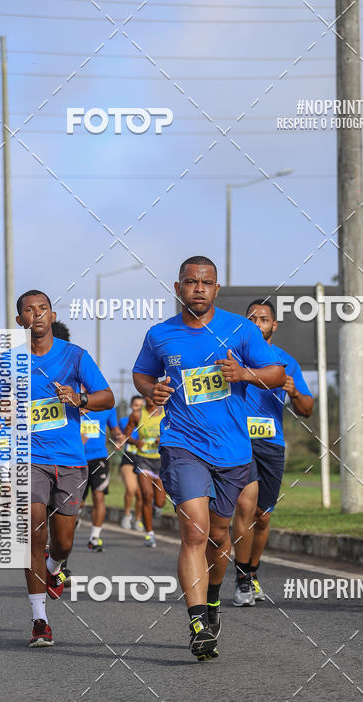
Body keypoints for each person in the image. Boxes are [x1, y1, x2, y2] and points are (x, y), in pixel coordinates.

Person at [133, 255, 285, 661]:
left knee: (220, 538)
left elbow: (277, 373)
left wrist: (244, 375)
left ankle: (213, 597)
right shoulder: (160, 335)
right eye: (190, 282)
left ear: (217, 288)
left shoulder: (239, 329)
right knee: (195, 533)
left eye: (206, 282)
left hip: (233, 451)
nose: (198, 288)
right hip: (182, 444)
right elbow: (142, 375)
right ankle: (199, 622)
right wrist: (153, 392)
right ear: (178, 286)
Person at [0, 290, 114, 647]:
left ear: (51, 314)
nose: (37, 315)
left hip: (71, 461)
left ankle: (55, 570)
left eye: (42, 309)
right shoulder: (11, 360)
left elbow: (107, 397)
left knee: (63, 542)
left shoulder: (75, 357)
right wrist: (7, 405)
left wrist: (79, 398)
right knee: (34, 534)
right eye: (29, 310)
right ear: (19, 321)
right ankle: (39, 619)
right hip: (29, 459)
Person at [232, 299, 314, 606]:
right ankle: (241, 580)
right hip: (238, 441)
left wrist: (292, 392)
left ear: (273, 325)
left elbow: (306, 409)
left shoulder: (285, 362)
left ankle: (251, 574)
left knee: (262, 517)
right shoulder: (233, 357)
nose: (256, 323)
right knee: (245, 505)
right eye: (251, 318)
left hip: (271, 444)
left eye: (263, 319)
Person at [121, 397, 165, 548]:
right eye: (148, 395)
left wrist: (163, 439)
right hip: (143, 460)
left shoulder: (165, 413)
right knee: (147, 495)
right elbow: (126, 435)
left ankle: (156, 509)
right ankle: (149, 534)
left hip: (160, 461)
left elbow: (177, 431)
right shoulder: (137, 415)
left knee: (160, 502)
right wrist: (136, 442)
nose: (150, 398)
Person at [80, 406, 124, 550]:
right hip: (77, 459)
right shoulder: (72, 402)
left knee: (99, 496)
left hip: (99, 457)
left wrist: (119, 438)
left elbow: (115, 430)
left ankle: (94, 537)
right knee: (77, 501)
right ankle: (73, 519)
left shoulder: (107, 407)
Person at [119, 395, 144, 531]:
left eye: (141, 407)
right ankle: (127, 515)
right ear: (130, 406)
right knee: (131, 488)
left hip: (143, 458)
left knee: (141, 493)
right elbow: (123, 436)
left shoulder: (148, 420)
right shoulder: (124, 421)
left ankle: (138, 519)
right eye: (136, 406)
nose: (138, 409)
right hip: (128, 457)